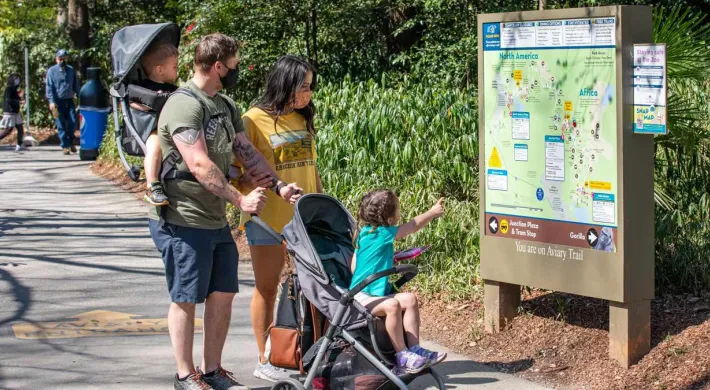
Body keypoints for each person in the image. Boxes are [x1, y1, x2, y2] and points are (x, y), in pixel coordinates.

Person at [148, 33, 302, 390]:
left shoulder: (226, 105)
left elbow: (247, 153)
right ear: (218, 66)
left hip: (214, 218)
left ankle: (213, 370)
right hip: (183, 218)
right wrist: (241, 200)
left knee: (222, 293)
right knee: (186, 297)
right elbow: (199, 164)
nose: (236, 71)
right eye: (233, 66)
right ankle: (186, 375)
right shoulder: (184, 105)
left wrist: (278, 186)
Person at [230, 55, 321, 382]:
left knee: (309, 287)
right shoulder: (251, 120)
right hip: (267, 219)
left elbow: (312, 168)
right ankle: (264, 355)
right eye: (304, 86)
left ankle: (300, 350)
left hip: (304, 219)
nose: (309, 93)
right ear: (286, 84)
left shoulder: (302, 118)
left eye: (311, 87)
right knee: (268, 287)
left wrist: (320, 203)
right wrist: (253, 194)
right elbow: (236, 173)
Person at [349, 190, 447, 375]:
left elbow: (354, 267)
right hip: (361, 296)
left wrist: (380, 260)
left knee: (410, 299)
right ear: (390, 219)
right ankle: (402, 355)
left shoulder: (364, 234)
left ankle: (415, 349)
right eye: (398, 209)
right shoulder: (383, 233)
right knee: (393, 305)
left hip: (368, 293)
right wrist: (433, 212)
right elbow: (413, 225)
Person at [129, 42, 179, 206]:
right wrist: (146, 107)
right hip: (151, 129)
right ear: (160, 69)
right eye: (174, 66)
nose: (177, 70)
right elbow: (129, 103)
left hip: (172, 128)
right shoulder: (140, 88)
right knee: (155, 146)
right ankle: (152, 186)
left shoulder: (173, 89)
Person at [45, 49, 80, 155]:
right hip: (56, 102)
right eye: (60, 59)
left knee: (73, 122)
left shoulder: (70, 70)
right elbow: (49, 87)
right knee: (60, 124)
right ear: (56, 59)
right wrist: (51, 101)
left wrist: (80, 96)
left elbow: (76, 85)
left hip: (69, 101)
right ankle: (65, 146)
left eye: (64, 59)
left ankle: (70, 141)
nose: (62, 61)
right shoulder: (52, 71)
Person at [0, 73, 25, 151]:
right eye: (16, 79)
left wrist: (20, 99)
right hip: (10, 112)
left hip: (15, 112)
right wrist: (19, 102)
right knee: (8, 130)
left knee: (20, 128)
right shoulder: (9, 88)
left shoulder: (14, 89)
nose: (18, 80)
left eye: (18, 79)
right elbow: (9, 100)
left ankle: (19, 144)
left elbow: (15, 98)